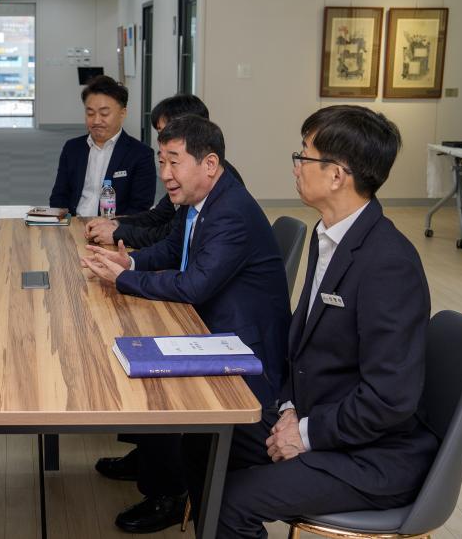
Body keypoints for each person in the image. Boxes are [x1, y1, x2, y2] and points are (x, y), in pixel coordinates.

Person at [182, 105, 438, 538]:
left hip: (371, 454)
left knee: (233, 500)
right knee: (202, 438)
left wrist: (305, 432)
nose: (296, 165)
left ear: (336, 175)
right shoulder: (329, 237)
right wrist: (288, 410)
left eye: (304, 154)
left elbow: (390, 398)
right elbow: (301, 351)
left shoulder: (388, 263)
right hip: (319, 416)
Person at [81, 114, 290, 533]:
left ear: (209, 164)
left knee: (152, 381)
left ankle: (170, 494)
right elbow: (173, 250)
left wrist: (123, 279)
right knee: (136, 347)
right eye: (161, 162)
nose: (165, 174)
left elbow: (195, 284)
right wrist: (130, 262)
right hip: (207, 325)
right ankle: (161, 474)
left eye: (174, 162)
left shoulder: (230, 211)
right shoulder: (201, 201)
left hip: (242, 350)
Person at [84, 94, 244, 248]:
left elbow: (168, 236)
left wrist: (118, 233)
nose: (162, 140)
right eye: (160, 133)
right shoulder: (182, 177)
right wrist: (116, 222)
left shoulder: (217, 185)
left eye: (167, 132)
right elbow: (158, 216)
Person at [49, 75, 156, 216]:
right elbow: (59, 196)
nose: (96, 121)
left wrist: (110, 226)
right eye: (90, 113)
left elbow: (139, 208)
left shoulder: (141, 154)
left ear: (122, 114)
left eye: (104, 114)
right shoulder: (72, 148)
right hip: (73, 222)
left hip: (114, 226)